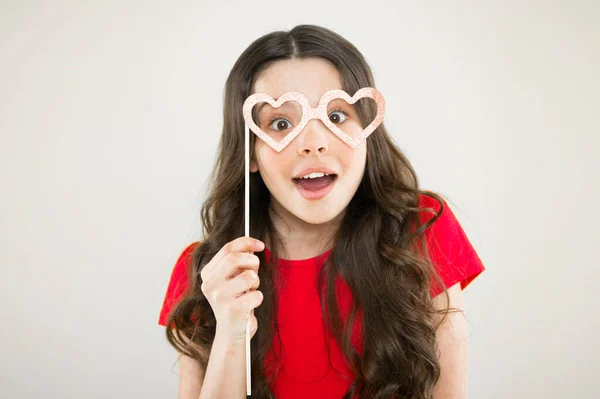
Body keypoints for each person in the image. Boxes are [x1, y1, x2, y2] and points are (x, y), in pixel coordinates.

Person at [157, 24, 485, 399]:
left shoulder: (422, 230)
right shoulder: (207, 273)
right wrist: (231, 333)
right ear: (249, 152)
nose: (313, 144)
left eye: (336, 116)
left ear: (367, 128)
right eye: (281, 124)